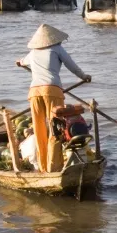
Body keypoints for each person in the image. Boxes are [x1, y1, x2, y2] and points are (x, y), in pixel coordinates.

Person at [16, 24, 91, 173]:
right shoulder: (57, 49)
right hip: (52, 90)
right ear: (54, 40)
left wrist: (19, 63)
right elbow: (72, 66)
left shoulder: (32, 53)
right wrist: (84, 77)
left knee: (39, 130)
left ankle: (43, 167)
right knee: (55, 129)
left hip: (34, 92)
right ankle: (54, 167)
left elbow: (21, 62)